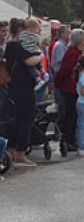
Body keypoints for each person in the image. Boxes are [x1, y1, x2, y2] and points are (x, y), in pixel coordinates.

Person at [4, 19, 44, 166]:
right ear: (22, 30)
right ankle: (21, 153)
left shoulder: (10, 45)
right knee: (26, 120)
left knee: (17, 120)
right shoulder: (16, 46)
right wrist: (41, 56)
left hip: (15, 87)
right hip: (23, 88)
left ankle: (13, 150)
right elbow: (30, 61)